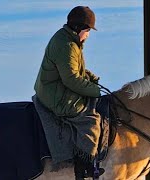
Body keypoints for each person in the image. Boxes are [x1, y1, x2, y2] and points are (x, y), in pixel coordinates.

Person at [33, 6, 104, 179]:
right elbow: (71, 79)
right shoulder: (67, 45)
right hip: (56, 95)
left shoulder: (69, 41)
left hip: (57, 88)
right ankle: (84, 166)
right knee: (90, 119)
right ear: (78, 28)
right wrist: (95, 90)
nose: (88, 34)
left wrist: (90, 76)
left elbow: (74, 70)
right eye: (87, 30)